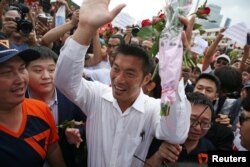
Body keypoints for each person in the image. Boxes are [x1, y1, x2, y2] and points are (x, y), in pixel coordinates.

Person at [54, 0, 191, 166]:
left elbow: (175, 134)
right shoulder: (97, 96)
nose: (119, 79)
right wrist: (85, 28)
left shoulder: (153, 108)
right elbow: (64, 81)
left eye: (130, 73)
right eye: (116, 69)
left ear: (146, 79)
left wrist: (172, 72)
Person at [0, 40, 66, 167]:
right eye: (7, 72)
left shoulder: (41, 109)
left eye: (22, 68)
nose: (20, 79)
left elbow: (53, 150)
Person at [26, 45, 87, 167]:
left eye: (51, 70)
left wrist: (76, 132)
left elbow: (87, 123)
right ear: (24, 72)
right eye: (38, 70)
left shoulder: (71, 97)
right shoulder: (15, 101)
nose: (46, 76)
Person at [146, 92, 215, 166]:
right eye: (192, 120)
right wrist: (158, 156)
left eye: (205, 123)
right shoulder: (158, 139)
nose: (198, 128)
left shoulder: (209, 148)